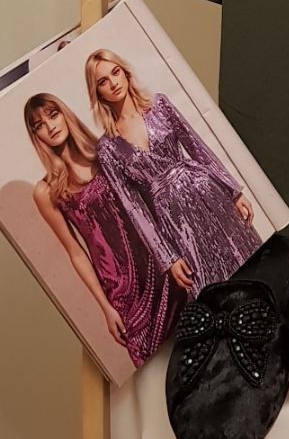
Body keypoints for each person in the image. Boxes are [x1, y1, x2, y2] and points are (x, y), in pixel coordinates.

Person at [26, 92, 184, 366]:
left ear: (65, 114)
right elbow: (76, 252)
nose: (50, 127)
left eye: (53, 115)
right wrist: (105, 308)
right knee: (157, 368)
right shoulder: (46, 190)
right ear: (35, 135)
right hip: (121, 288)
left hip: (158, 265)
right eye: (39, 125)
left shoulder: (106, 151)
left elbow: (148, 201)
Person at [87, 49, 261, 298]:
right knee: (210, 287)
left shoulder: (160, 105)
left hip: (206, 192)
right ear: (97, 92)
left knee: (245, 257)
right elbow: (133, 207)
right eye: (103, 81)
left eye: (115, 72)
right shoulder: (108, 147)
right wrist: (167, 257)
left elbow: (197, 147)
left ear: (125, 73)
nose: (113, 83)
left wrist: (233, 191)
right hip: (173, 219)